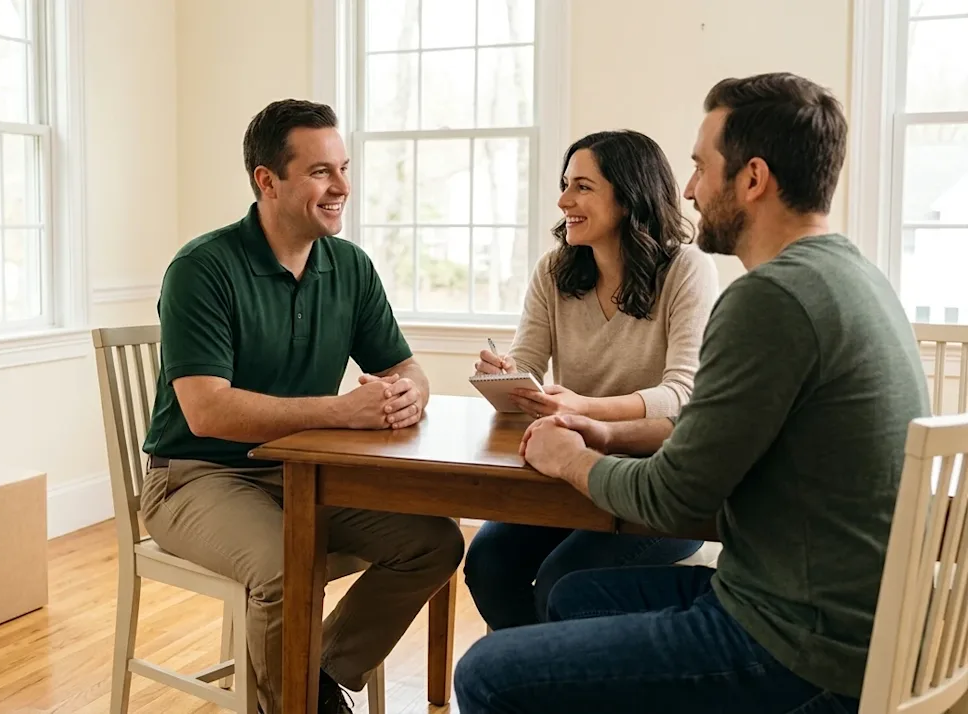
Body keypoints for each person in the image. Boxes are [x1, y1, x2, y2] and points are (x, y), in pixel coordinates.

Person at [454, 72, 930, 713]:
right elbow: (711, 437)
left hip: (798, 644)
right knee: (569, 596)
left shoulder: (770, 298)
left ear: (753, 179)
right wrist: (608, 431)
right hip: (830, 615)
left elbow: (674, 497)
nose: (688, 190)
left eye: (702, 167)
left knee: (486, 673)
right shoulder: (854, 276)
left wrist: (572, 457)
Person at [138, 98, 464, 714]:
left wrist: (409, 394)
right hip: (196, 477)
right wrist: (342, 412)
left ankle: (313, 677)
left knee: (434, 543)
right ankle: (298, 699)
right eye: (320, 171)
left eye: (344, 168)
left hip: (306, 476)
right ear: (267, 180)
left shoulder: (350, 267)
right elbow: (208, 412)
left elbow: (403, 366)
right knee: (287, 568)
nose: (342, 186)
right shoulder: (202, 268)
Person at [464, 129, 719, 631]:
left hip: (658, 483)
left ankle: (549, 668)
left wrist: (583, 408)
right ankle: (531, 672)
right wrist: (506, 376)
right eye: (565, 185)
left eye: (582, 187)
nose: (564, 201)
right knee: (488, 563)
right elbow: (527, 368)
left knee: (562, 581)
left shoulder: (686, 270)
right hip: (568, 477)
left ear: (629, 197)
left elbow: (682, 395)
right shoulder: (554, 271)